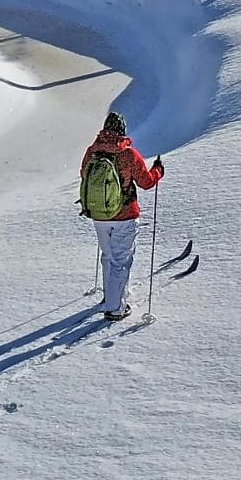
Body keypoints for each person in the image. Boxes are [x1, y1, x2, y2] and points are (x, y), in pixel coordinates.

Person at [79, 111, 164, 322]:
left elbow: (84, 175)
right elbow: (146, 182)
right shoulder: (128, 154)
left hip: (98, 215)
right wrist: (158, 171)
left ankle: (110, 297)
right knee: (121, 260)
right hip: (124, 216)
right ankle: (115, 308)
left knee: (108, 256)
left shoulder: (92, 152)